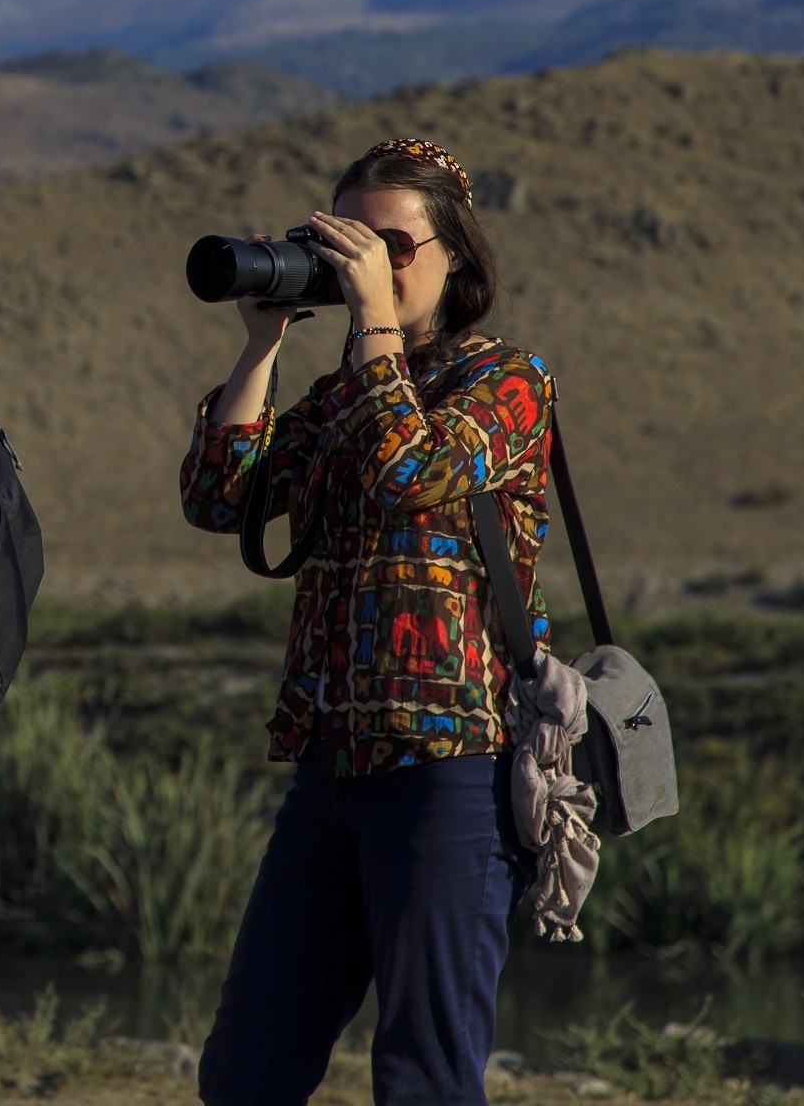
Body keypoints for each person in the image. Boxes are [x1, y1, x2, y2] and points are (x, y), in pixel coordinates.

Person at [180, 138, 555, 1106]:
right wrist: (263, 342)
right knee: (247, 1071)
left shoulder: (510, 384)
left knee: (423, 1077)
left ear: (457, 259)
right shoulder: (343, 395)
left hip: (450, 773)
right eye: (351, 241)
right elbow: (220, 496)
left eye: (397, 245)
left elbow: (414, 476)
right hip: (330, 767)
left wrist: (377, 336)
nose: (371, 267)